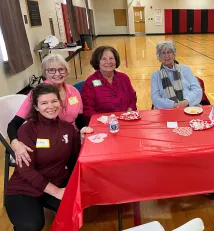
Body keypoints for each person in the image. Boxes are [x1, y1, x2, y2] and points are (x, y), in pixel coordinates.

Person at [5, 84, 91, 231]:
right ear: (36, 107)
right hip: (25, 187)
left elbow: (74, 160)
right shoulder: (27, 130)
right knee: (31, 226)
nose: (50, 106)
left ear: (60, 103)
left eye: (54, 101)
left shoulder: (68, 128)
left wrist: (81, 141)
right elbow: (26, 171)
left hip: (56, 181)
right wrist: (57, 192)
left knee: (74, 213)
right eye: (44, 103)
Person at [7, 54, 85, 168]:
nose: (57, 74)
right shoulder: (37, 94)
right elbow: (13, 124)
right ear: (45, 73)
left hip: (72, 137)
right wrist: (15, 143)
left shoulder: (73, 91)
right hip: (50, 142)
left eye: (61, 69)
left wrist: (84, 131)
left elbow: (80, 119)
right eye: (52, 70)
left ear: (67, 71)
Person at [82, 46, 137, 123]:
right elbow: (88, 110)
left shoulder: (124, 78)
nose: (108, 62)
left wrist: (128, 112)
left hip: (126, 121)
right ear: (97, 62)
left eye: (111, 58)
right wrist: (106, 121)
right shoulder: (90, 83)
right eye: (104, 59)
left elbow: (133, 98)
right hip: (102, 125)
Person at [151, 40, 202, 109]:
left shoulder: (185, 69)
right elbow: (155, 99)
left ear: (174, 54)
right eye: (163, 53)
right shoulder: (155, 75)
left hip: (189, 108)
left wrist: (186, 102)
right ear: (159, 57)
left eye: (169, 52)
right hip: (166, 111)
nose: (166, 56)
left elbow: (197, 90)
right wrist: (173, 105)